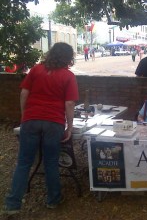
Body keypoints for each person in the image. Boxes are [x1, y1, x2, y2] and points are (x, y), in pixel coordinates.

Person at [3, 42, 79, 215]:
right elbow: (69, 103)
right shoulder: (68, 76)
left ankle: (12, 204)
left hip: (31, 119)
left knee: (23, 163)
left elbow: (24, 93)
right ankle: (53, 199)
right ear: (68, 57)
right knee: (51, 162)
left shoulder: (36, 70)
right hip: (54, 122)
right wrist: (69, 126)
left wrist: (24, 116)